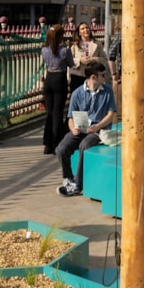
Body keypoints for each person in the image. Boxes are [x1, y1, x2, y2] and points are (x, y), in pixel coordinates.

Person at [55, 61, 117, 197]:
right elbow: (70, 117)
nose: (105, 77)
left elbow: (111, 114)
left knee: (85, 145)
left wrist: (98, 126)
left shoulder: (107, 91)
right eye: (103, 75)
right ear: (93, 77)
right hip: (81, 129)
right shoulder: (77, 93)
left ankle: (78, 184)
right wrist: (73, 129)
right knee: (61, 149)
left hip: (99, 130)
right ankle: (68, 178)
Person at [40, 24, 73, 155]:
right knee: (58, 112)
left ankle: (47, 143)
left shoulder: (44, 50)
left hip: (49, 78)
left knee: (49, 112)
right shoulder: (65, 50)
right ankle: (56, 142)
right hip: (60, 78)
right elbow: (71, 64)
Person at [68, 22, 106, 95]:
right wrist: (80, 60)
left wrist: (94, 59)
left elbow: (104, 59)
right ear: (79, 33)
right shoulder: (74, 45)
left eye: (87, 28)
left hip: (92, 76)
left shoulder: (97, 44)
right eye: (82, 29)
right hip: (78, 76)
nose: (85, 30)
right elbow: (69, 60)